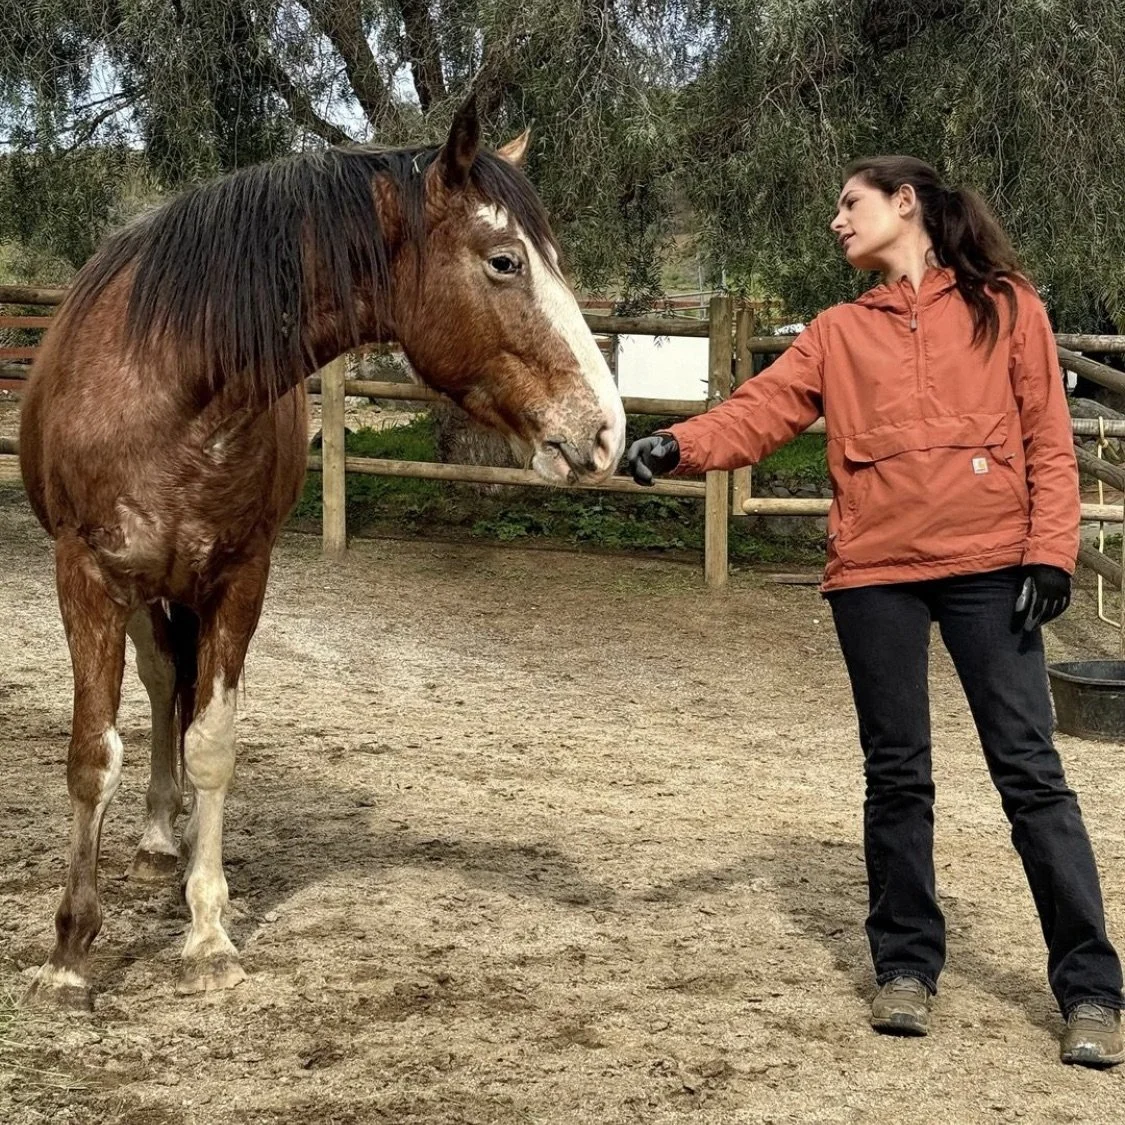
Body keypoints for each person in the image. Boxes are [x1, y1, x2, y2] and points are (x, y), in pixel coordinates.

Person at [628, 156, 1124, 1067]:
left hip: (991, 567)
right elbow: (760, 410)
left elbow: (1048, 439)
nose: (836, 221)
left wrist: (1050, 551)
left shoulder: (1006, 305)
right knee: (896, 774)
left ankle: (1090, 988)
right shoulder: (836, 331)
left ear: (905, 203)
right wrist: (676, 445)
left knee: (1029, 773)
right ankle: (903, 966)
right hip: (874, 571)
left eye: (848, 204)